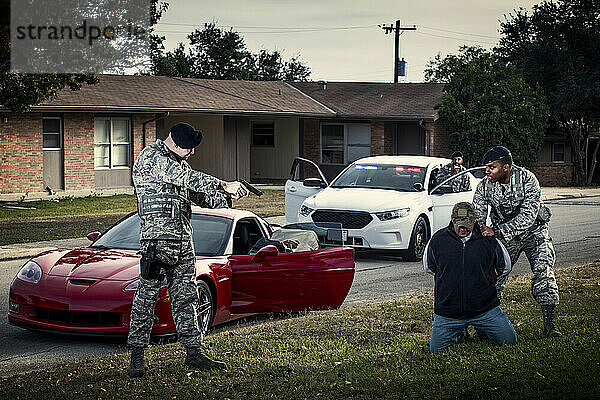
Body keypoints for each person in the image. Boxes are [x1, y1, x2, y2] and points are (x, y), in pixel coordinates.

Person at [127, 122, 249, 378]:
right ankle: (137, 356)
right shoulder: (152, 158)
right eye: (190, 148)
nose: (192, 153)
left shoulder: (181, 165)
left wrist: (229, 196)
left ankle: (194, 352)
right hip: (157, 242)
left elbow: (201, 196)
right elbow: (186, 178)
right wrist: (223, 183)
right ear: (176, 142)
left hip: (183, 242)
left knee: (187, 298)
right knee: (146, 300)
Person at [473, 146, 561, 338]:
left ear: (506, 167)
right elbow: (478, 214)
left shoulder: (528, 179)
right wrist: (481, 234)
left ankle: (550, 325)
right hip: (504, 237)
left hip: (534, 232)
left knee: (543, 271)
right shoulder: (484, 185)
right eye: (486, 167)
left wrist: (496, 231)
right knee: (492, 277)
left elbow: (528, 216)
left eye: (492, 167)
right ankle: (485, 326)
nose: (487, 171)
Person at [424, 202, 517, 353]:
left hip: (485, 309)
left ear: (474, 219)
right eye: (459, 224)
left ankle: (482, 328)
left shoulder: (489, 240)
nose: (463, 228)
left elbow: (504, 266)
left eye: (467, 224)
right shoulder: (438, 240)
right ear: (452, 218)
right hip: (448, 312)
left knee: (510, 341)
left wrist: (485, 276)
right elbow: (429, 266)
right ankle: (459, 332)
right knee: (436, 351)